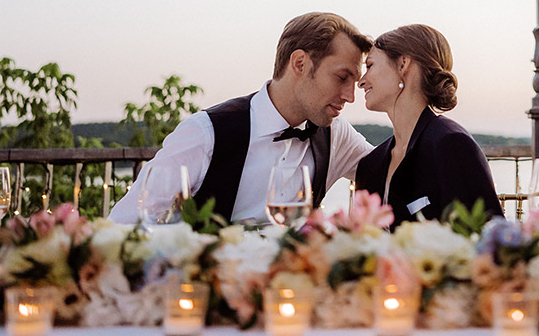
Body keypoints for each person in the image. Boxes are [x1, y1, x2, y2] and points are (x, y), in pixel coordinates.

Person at [109, 12, 373, 224]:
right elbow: (126, 224)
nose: (350, 96)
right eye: (341, 78)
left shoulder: (335, 135)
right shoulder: (205, 133)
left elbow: (398, 172)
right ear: (300, 64)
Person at [355, 24, 502, 226]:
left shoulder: (451, 145)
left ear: (403, 64)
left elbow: (487, 239)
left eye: (369, 66)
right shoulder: (370, 165)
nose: (361, 81)